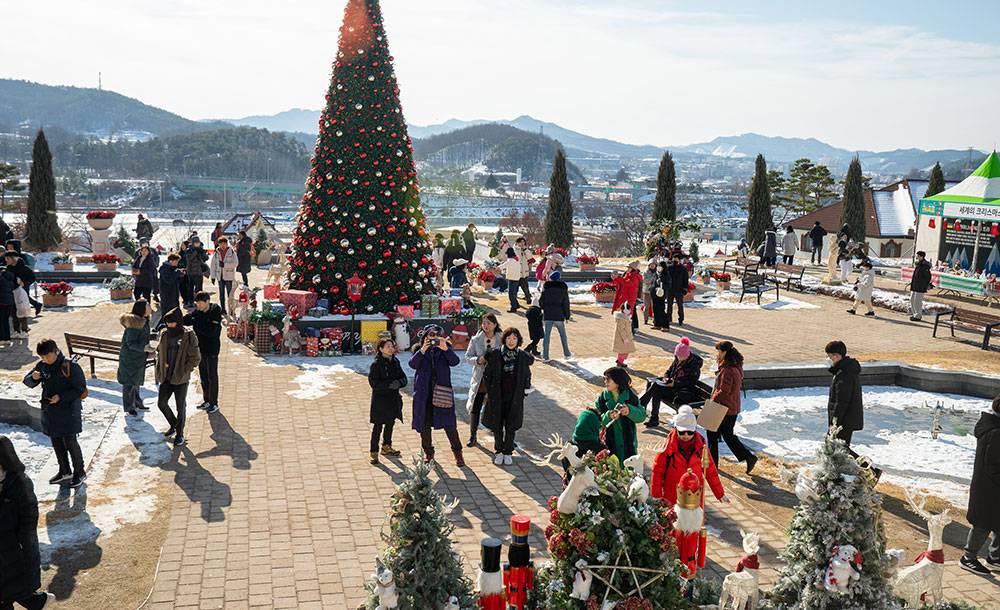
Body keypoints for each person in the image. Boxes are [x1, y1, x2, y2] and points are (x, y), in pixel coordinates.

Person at [22, 339, 87, 488]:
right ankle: (64, 471)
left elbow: (80, 389)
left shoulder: (70, 366)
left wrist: (61, 397)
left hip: (69, 411)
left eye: (48, 356)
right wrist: (33, 377)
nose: (46, 360)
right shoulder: (43, 366)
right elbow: (27, 381)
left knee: (71, 443)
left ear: (56, 351)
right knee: (57, 442)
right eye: (42, 357)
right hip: (51, 412)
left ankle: (80, 472)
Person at [0, 437, 55, 610]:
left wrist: (24, 547)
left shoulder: (20, 483)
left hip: (15, 549)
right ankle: (38, 602)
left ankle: (39, 601)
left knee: (15, 588)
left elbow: (29, 520)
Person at [408, 325, 464, 466]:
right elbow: (412, 364)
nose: (433, 340)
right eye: (430, 336)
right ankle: (429, 453)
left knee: (450, 426)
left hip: (442, 393)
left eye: (436, 337)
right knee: (424, 426)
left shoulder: (445, 350)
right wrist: (422, 350)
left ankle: (458, 453)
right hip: (423, 395)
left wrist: (445, 349)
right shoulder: (419, 350)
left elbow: (455, 362)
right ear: (425, 337)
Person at [650, 405, 727, 504]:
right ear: (676, 429)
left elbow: (710, 471)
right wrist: (656, 495)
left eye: (690, 432)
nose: (686, 435)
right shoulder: (668, 447)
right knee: (674, 518)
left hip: (694, 495)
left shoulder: (701, 447)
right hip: (673, 494)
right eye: (682, 432)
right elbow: (657, 471)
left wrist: (720, 494)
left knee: (693, 518)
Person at [960, 395, 1000, 575]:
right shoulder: (995, 432)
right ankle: (968, 557)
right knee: (983, 523)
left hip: (993, 487)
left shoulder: (994, 428)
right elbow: (991, 465)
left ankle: (995, 556)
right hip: (988, 488)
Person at [482, 328, 534, 465]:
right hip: (497, 396)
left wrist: (525, 390)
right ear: (504, 339)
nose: (511, 341)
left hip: (514, 397)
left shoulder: (522, 357)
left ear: (518, 341)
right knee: (497, 425)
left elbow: (527, 375)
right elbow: (487, 374)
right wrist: (491, 391)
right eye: (509, 338)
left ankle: (508, 451)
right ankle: (499, 450)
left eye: (514, 338)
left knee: (511, 425)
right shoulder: (495, 354)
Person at [706, 341, 757, 474]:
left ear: (724, 353)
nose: (717, 354)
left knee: (712, 433)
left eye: (719, 352)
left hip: (723, 408)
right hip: (732, 407)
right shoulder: (736, 365)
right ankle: (748, 457)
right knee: (727, 435)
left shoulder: (728, 370)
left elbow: (723, 391)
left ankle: (712, 465)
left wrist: (712, 401)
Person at [155, 308, 201, 447]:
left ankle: (180, 434)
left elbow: (195, 357)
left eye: (172, 323)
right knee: (161, 403)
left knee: (181, 407)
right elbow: (159, 351)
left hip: (180, 378)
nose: (170, 326)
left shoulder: (188, 335)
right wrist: (159, 369)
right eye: (167, 323)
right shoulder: (164, 334)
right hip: (166, 377)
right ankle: (174, 425)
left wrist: (185, 370)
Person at [641, 337, 703, 428]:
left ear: (687, 355)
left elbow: (691, 383)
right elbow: (669, 371)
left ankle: (642, 404)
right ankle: (653, 417)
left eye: (680, 357)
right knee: (656, 387)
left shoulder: (694, 365)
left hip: (683, 393)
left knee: (656, 389)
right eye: (677, 356)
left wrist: (675, 383)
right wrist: (666, 378)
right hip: (673, 388)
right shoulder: (678, 358)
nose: (678, 358)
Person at [367, 338, 406, 465]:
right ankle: (373, 451)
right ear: (381, 349)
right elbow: (374, 383)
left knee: (390, 423)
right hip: (380, 400)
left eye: (392, 346)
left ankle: (387, 446)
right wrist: (389, 384)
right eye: (388, 346)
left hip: (393, 399)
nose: (391, 348)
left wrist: (399, 383)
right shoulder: (376, 364)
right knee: (378, 426)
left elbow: (404, 377)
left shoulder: (395, 361)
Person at [465, 313, 502, 447]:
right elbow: (467, 357)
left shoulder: (502, 339)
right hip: (480, 378)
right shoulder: (475, 340)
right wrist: (478, 360)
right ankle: (473, 435)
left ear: (495, 325)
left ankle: (499, 433)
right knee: (476, 406)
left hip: (496, 378)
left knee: (497, 407)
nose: (485, 326)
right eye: (483, 323)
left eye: (488, 323)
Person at [184, 292, 223, 414]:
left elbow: (211, 331)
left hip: (211, 348)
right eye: (197, 304)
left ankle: (214, 402)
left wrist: (196, 323)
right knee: (204, 376)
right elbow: (188, 320)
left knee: (212, 376)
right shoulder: (198, 312)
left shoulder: (215, 310)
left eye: (200, 303)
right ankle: (206, 400)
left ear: (207, 301)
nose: (199, 306)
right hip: (200, 349)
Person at [594, 366, 644, 462]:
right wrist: (608, 416)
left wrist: (629, 411)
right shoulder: (601, 399)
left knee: (627, 471)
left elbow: (642, 416)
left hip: (628, 445)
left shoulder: (630, 397)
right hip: (608, 444)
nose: (605, 382)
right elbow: (597, 421)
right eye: (604, 379)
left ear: (618, 381)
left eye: (608, 379)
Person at [117, 300, 152, 416]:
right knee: (129, 383)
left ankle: (137, 402)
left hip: (138, 357)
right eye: (148, 306)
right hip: (129, 358)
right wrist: (145, 348)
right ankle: (129, 407)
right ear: (142, 309)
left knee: (135, 381)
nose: (150, 307)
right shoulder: (134, 323)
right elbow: (130, 343)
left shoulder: (144, 321)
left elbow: (143, 337)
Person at [825, 340, 863, 447]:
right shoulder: (845, 369)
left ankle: (865, 464)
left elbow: (841, 401)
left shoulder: (844, 374)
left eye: (829, 356)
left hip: (844, 421)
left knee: (838, 448)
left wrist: (834, 423)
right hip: (846, 419)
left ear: (836, 356)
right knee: (839, 448)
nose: (829, 359)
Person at [539, 270, 571, 361]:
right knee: (563, 335)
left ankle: (545, 356)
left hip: (548, 314)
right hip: (559, 314)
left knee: (547, 336)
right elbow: (566, 303)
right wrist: (567, 316)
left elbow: (541, 302)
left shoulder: (546, 287)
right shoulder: (563, 288)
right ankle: (567, 354)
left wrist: (545, 308)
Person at [3, 251, 40, 316]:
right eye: (6, 259)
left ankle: (35, 306)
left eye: (8, 259)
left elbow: (32, 278)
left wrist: (25, 283)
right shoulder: (8, 268)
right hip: (12, 288)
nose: (6, 261)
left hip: (23, 287)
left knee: (24, 299)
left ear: (14, 258)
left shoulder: (25, 268)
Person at [209, 236, 238, 315]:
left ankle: (231, 310)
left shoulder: (231, 252)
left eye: (224, 243)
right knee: (221, 295)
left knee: (230, 295)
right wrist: (213, 277)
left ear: (227, 244)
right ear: (219, 244)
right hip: (220, 276)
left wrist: (225, 265)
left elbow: (235, 263)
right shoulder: (216, 253)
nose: (223, 245)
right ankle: (223, 309)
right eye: (221, 244)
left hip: (229, 276)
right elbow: (213, 266)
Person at [612, 261, 642, 333]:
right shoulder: (628, 274)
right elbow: (623, 283)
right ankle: (631, 328)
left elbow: (627, 283)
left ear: (633, 269)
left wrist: (618, 278)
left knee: (628, 313)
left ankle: (630, 330)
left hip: (630, 297)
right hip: (625, 296)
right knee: (628, 313)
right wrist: (616, 279)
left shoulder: (635, 276)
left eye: (629, 268)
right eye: (628, 267)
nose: (627, 269)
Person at [504, 238, 532, 312]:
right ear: (517, 243)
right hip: (516, 273)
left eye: (523, 242)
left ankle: (528, 298)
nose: (522, 244)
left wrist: (525, 250)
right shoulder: (513, 250)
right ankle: (514, 304)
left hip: (524, 272)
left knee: (525, 287)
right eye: (521, 242)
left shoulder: (526, 250)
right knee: (514, 290)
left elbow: (530, 258)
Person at [157, 252, 183, 323]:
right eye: (176, 261)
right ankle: (160, 327)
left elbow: (176, 281)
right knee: (167, 314)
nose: (177, 263)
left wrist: (181, 275)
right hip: (167, 295)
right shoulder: (164, 269)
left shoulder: (173, 269)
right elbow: (169, 280)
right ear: (171, 261)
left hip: (173, 294)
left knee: (174, 312)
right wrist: (177, 273)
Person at [182, 238, 208, 306]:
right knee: (190, 288)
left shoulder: (201, 249)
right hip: (191, 272)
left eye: (198, 243)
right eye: (196, 243)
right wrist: (196, 252)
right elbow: (189, 259)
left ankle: (200, 301)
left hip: (199, 272)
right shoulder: (189, 250)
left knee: (199, 288)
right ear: (193, 243)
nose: (197, 244)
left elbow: (206, 258)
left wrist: (203, 253)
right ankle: (191, 301)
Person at [909, 250, 933, 321]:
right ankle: (914, 314)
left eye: (918, 256)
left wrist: (926, 284)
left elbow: (928, 277)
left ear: (922, 257)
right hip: (915, 285)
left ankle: (918, 315)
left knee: (917, 301)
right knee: (912, 300)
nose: (916, 257)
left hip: (920, 286)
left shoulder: (925, 266)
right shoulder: (918, 264)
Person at [666, 256, 689, 328]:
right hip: (670, 290)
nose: (675, 260)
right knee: (669, 305)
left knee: (680, 305)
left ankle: (681, 319)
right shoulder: (669, 268)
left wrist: (685, 288)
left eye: (676, 259)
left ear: (679, 260)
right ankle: (669, 318)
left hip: (679, 290)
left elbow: (686, 279)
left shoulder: (683, 268)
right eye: (674, 259)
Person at [650, 259, 671, 331]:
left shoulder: (666, 275)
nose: (659, 267)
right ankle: (657, 324)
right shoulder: (656, 274)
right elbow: (652, 283)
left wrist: (662, 286)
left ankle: (665, 325)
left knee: (661, 309)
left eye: (660, 266)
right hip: (654, 294)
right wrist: (653, 288)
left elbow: (668, 285)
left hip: (661, 295)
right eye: (658, 266)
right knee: (655, 309)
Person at [641, 260, 657, 325]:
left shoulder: (657, 272)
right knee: (646, 306)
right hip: (646, 291)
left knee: (655, 306)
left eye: (654, 265)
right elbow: (645, 280)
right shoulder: (645, 272)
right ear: (649, 265)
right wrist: (652, 280)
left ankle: (655, 320)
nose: (652, 266)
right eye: (651, 265)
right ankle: (645, 319)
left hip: (655, 291)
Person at [0, 268, 13, 344]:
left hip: (1, 303)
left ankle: (1, 339)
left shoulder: (1, 280)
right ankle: (7, 339)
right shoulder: (10, 281)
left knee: (1, 321)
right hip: (9, 303)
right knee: (5, 321)